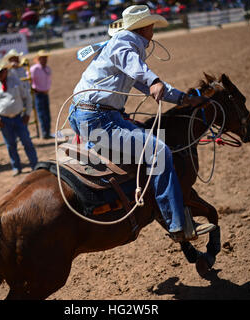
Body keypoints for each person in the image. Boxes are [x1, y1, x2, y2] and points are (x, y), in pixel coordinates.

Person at [68, 5, 215, 242]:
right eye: (151, 25)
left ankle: (159, 208)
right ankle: (176, 225)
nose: (153, 29)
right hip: (98, 119)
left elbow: (141, 80)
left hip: (93, 115)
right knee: (158, 151)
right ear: (145, 26)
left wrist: (183, 99)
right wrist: (154, 80)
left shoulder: (125, 44)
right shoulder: (125, 41)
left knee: (150, 142)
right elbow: (140, 72)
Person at [0, 59, 38, 176]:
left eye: (1, 71)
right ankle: (16, 167)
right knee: (10, 144)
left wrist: (27, 113)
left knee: (27, 142)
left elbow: (27, 97)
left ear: (6, 71)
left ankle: (35, 165)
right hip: (4, 120)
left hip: (19, 118)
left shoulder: (15, 81)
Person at [29, 49, 53, 139]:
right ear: (39, 59)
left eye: (45, 58)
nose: (45, 59)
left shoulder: (47, 68)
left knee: (47, 113)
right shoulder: (34, 69)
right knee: (42, 114)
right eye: (43, 58)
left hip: (45, 93)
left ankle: (47, 131)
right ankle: (44, 132)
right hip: (38, 94)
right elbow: (29, 80)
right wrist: (33, 89)